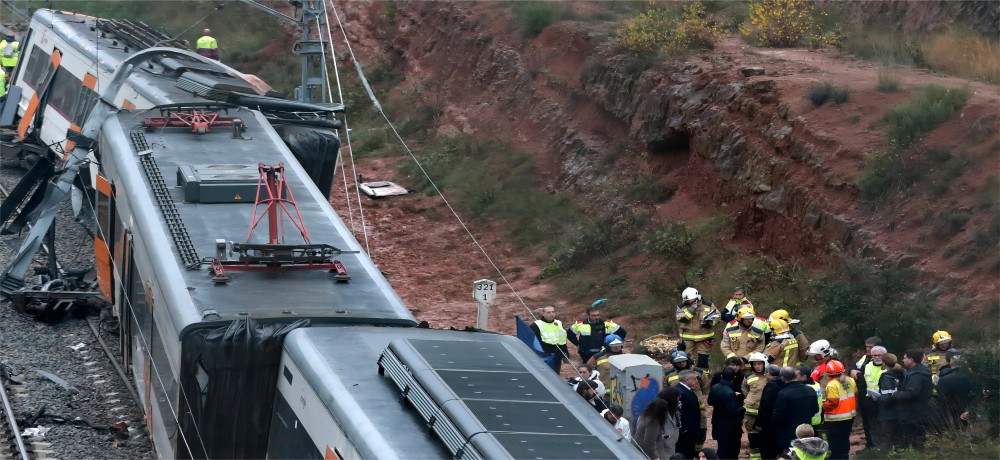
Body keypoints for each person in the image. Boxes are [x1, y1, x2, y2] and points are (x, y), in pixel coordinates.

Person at [664, 350, 711, 441]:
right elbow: (666, 391)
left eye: (683, 361)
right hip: (677, 409)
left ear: (688, 360)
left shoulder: (698, 372)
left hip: (698, 409)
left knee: (700, 434)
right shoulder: (668, 375)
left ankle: (697, 449)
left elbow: (705, 387)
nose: (682, 364)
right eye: (678, 362)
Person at [891, 349, 933, 449]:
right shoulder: (921, 371)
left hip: (913, 413)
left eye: (905, 358)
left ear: (911, 359)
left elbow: (912, 393)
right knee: (918, 439)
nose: (903, 360)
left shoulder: (916, 374)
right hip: (919, 411)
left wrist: (896, 394)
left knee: (914, 440)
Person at [774, 366, 820, 453]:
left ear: (783, 378)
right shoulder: (810, 390)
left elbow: (778, 416)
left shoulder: (783, 393)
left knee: (790, 454)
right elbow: (815, 409)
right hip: (806, 430)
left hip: (788, 433)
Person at [567, 299, 626, 364]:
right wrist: (578, 344)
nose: (596, 317)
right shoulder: (581, 323)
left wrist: (616, 345)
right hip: (586, 353)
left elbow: (622, 332)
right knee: (588, 368)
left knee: (603, 368)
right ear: (588, 316)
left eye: (598, 315)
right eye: (593, 316)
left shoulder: (606, 323)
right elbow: (569, 334)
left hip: (603, 352)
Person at [675, 287, 720, 369]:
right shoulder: (681, 306)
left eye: (690, 300)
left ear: (697, 298)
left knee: (703, 360)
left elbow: (717, 317)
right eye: (687, 301)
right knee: (687, 359)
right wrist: (692, 309)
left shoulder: (708, 304)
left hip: (704, 337)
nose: (688, 302)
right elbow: (681, 319)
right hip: (687, 338)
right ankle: (687, 375)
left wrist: (708, 322)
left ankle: (703, 375)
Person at [820, 360, 856, 460]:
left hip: (836, 418)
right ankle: (845, 456)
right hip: (849, 416)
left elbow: (832, 402)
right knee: (845, 438)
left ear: (828, 373)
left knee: (835, 441)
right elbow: (855, 394)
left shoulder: (832, 384)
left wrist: (821, 405)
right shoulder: (850, 380)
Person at [707, 366, 745, 459]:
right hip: (730, 427)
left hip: (717, 423)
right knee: (731, 451)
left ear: (721, 376)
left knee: (721, 448)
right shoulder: (730, 393)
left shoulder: (715, 387)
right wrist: (743, 408)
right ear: (734, 377)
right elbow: (733, 411)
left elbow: (710, 402)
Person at [856, 344, 886, 450]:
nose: (877, 357)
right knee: (871, 425)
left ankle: (885, 447)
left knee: (885, 425)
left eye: (879, 355)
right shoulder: (867, 366)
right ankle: (874, 447)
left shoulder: (889, 366)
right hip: (870, 400)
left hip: (885, 401)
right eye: (874, 355)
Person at [636, 393, 680, 459]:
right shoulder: (653, 422)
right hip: (649, 455)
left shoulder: (645, 416)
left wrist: (662, 437)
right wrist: (655, 457)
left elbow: (651, 436)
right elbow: (649, 442)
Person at [742, 353, 769, 460]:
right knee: (753, 439)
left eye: (759, 364)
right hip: (750, 414)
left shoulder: (769, 376)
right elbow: (744, 389)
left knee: (766, 438)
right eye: (754, 364)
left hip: (765, 414)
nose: (757, 366)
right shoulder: (748, 376)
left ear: (765, 364)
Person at [936, 356, 974, 430]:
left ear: (951, 365)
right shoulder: (973, 378)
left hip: (951, 415)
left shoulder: (944, 380)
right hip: (970, 412)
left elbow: (942, 399)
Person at [875, 353, 904, 449]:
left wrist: (878, 398)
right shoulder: (902, 373)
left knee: (886, 436)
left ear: (884, 363)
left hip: (888, 412)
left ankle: (887, 454)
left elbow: (887, 397)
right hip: (901, 409)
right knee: (899, 437)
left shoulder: (886, 377)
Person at [755, 365, 784, 459]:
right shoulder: (784, 383)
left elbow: (765, 406)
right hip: (780, 421)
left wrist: (759, 422)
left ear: (768, 373)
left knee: (767, 448)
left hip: (768, 422)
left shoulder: (771, 386)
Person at [529, 306, 569, 373]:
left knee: (556, 374)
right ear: (543, 314)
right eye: (549, 312)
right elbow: (533, 340)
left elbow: (562, 339)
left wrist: (566, 352)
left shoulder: (558, 323)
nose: (551, 314)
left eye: (553, 312)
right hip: (546, 356)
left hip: (558, 354)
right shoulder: (536, 325)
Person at [676, 370, 703, 458]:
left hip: (690, 430)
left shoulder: (686, 390)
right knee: (685, 453)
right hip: (685, 432)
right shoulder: (681, 393)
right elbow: (679, 413)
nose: (696, 381)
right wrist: (684, 429)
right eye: (694, 379)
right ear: (687, 380)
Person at [589, 334, 625, 398]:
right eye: (613, 346)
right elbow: (587, 370)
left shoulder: (627, 357)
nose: (616, 347)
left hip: (622, 393)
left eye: (619, 345)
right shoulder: (598, 357)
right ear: (607, 346)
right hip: (605, 394)